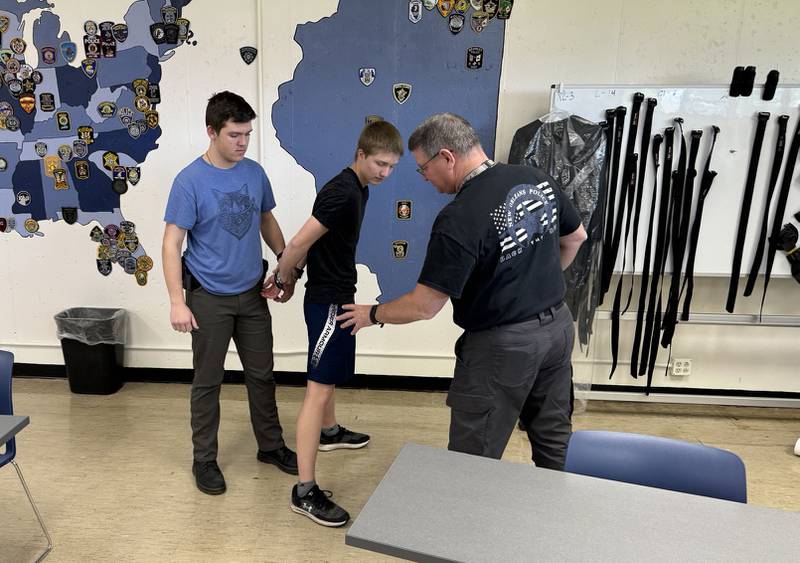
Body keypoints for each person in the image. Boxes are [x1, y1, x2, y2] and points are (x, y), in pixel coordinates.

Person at [337, 113, 588, 470]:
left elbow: (425, 306)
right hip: (558, 329)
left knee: (474, 457)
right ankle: (555, 517)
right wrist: (532, 284)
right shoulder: (534, 178)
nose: (426, 180)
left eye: (424, 169)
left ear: (446, 157)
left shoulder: (459, 217)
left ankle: (467, 523)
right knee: (554, 437)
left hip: (502, 347)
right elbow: (575, 237)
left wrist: (371, 314)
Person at [268, 120, 403, 527]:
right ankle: (304, 490)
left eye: (392, 166)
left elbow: (320, 241)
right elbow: (297, 243)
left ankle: (329, 433)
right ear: (360, 154)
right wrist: (283, 277)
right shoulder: (343, 191)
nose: (385, 172)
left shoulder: (358, 187)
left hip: (339, 292)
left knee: (330, 377)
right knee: (318, 387)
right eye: (380, 163)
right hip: (327, 300)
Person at [162, 91, 298, 496]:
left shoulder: (254, 173)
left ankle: (270, 447)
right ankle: (204, 459)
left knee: (262, 376)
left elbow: (266, 219)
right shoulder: (189, 181)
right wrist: (176, 301)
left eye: (248, 134)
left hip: (253, 293)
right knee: (208, 381)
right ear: (211, 132)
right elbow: (171, 244)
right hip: (208, 298)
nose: (242, 142)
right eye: (235, 134)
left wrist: (285, 264)